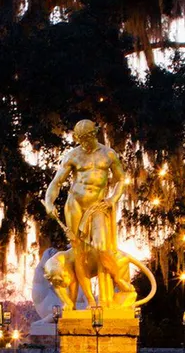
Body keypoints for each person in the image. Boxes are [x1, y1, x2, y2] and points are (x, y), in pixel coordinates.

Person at [43, 119, 136, 307]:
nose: (84, 143)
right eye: (80, 140)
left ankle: (118, 282)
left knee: (102, 248)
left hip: (97, 206)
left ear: (94, 134)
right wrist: (49, 202)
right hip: (75, 204)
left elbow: (121, 179)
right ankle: (91, 301)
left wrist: (113, 198)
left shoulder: (108, 154)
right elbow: (56, 182)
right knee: (79, 253)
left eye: (87, 138)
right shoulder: (73, 156)